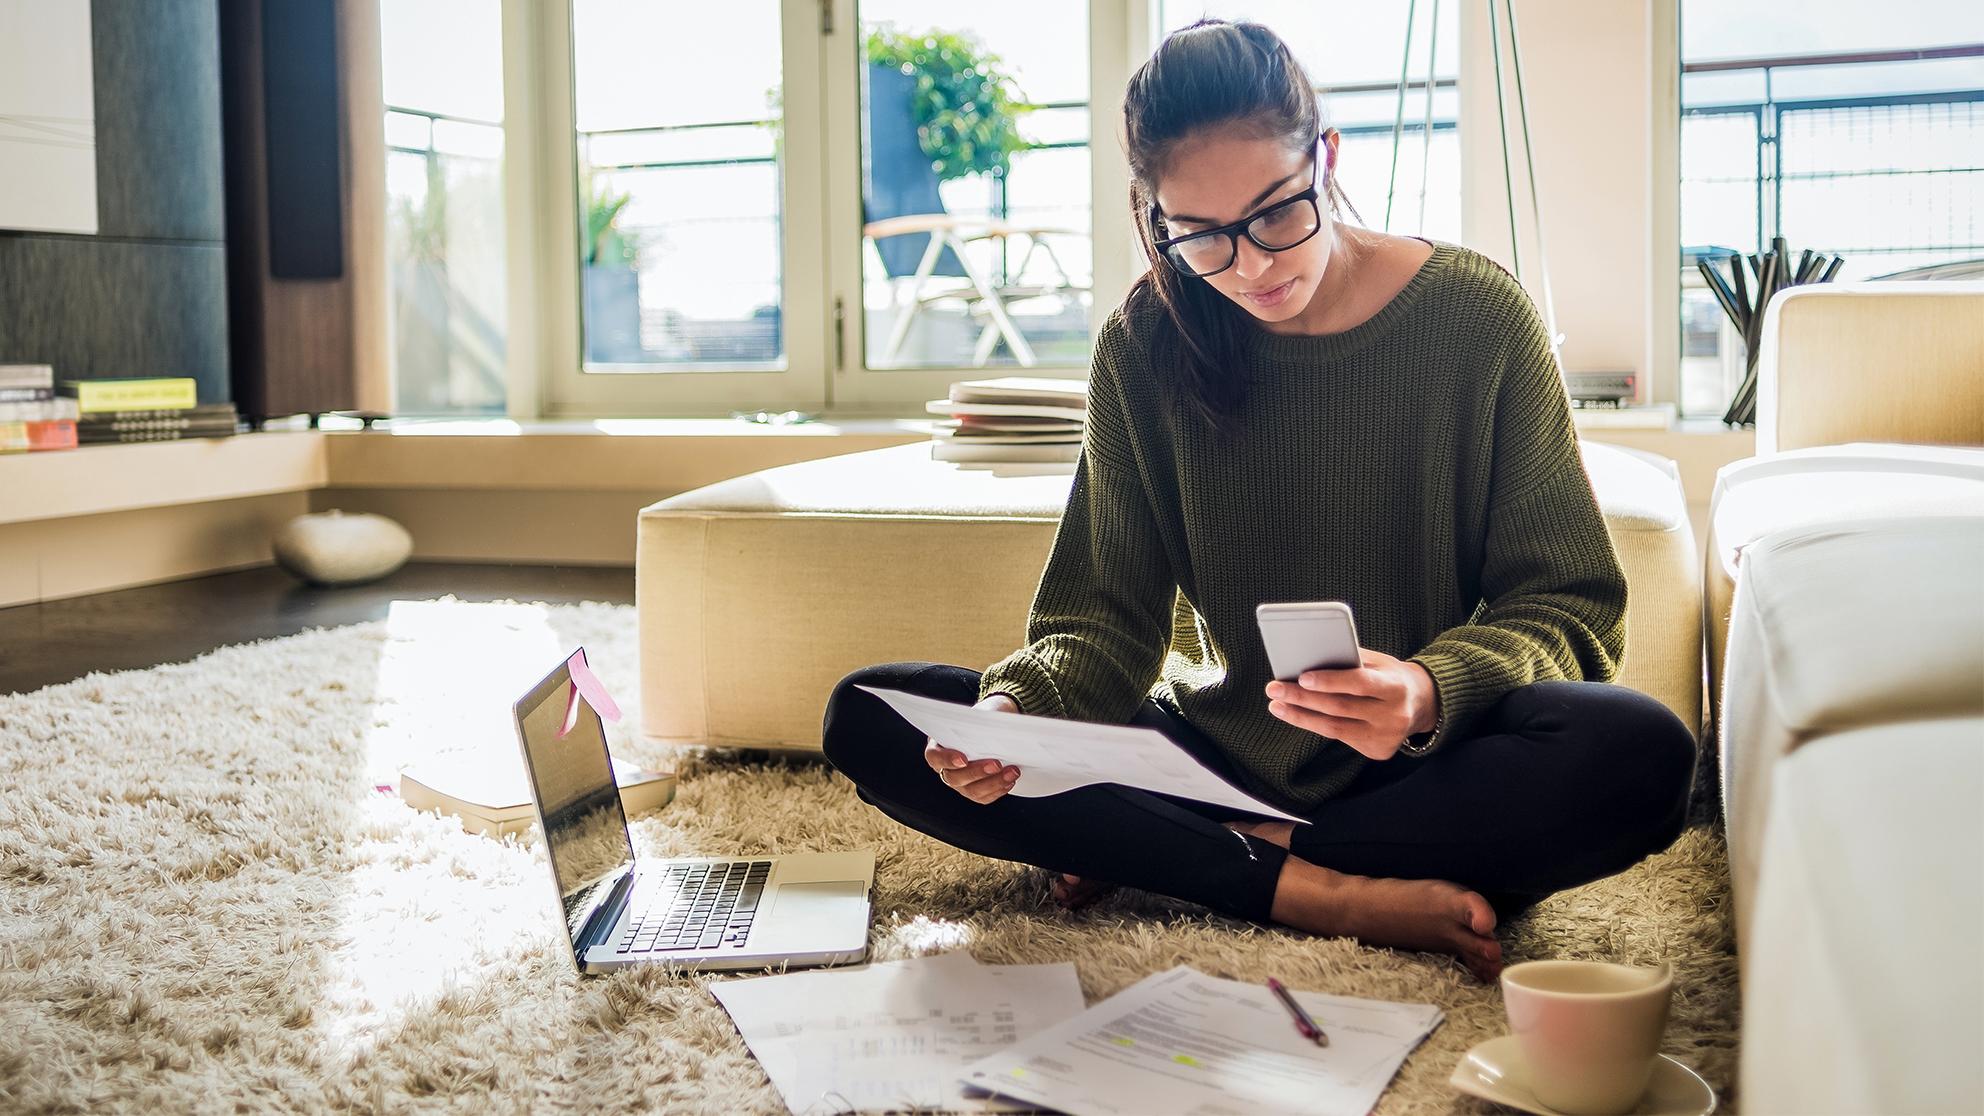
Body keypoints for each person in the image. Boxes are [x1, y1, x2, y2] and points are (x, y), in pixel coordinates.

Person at [820, 18, 1695, 981]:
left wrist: (1428, 690)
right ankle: (1318, 889)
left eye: (1278, 214)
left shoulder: (1480, 321)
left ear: (1324, 157)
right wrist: (1021, 708)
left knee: (1641, 753)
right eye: (1199, 237)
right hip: (1204, 757)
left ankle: (1193, 857)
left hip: (1413, 772)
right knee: (873, 714)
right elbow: (1103, 621)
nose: (1252, 266)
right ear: (1157, 217)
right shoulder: (1144, 348)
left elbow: (1570, 603)